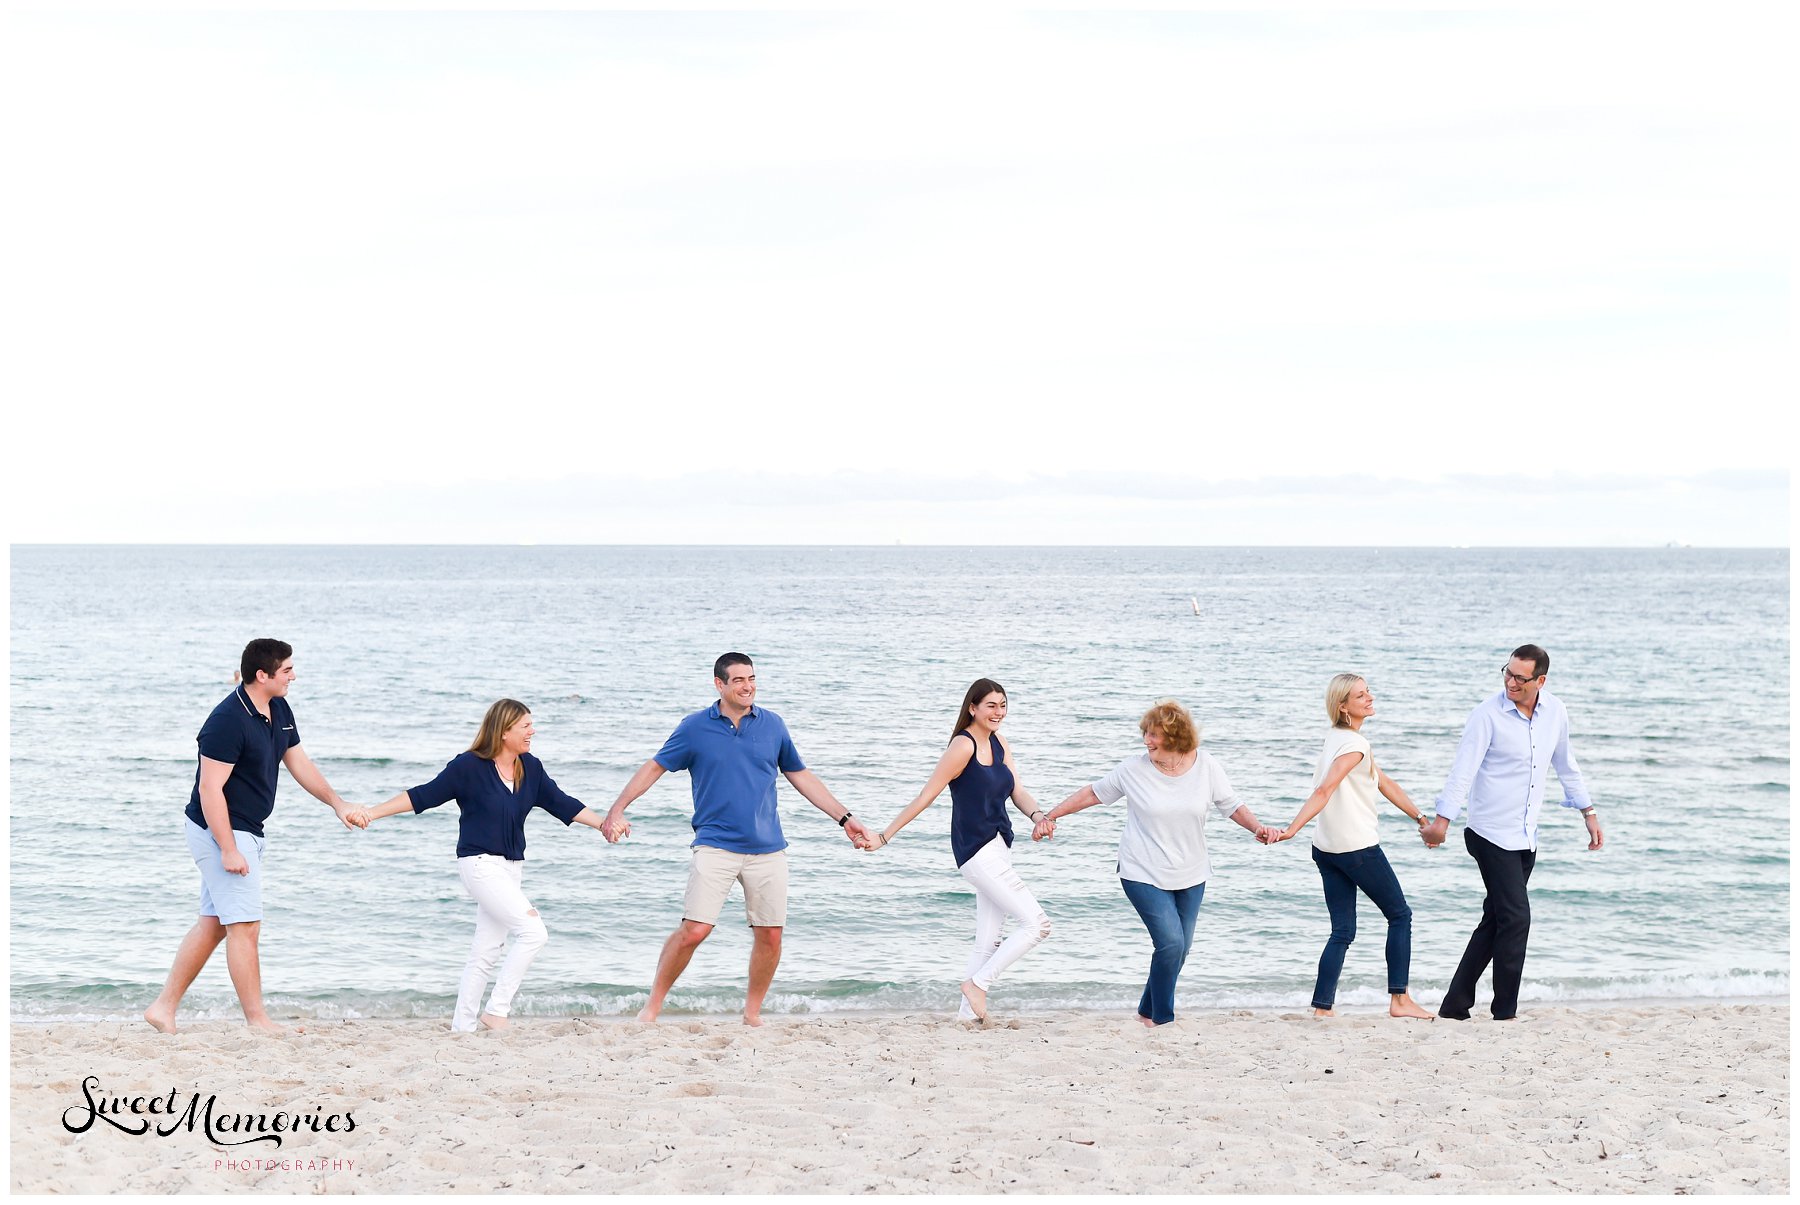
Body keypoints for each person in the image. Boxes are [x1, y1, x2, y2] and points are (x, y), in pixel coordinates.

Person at [601, 653, 873, 1026]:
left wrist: (845, 818)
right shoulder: (695, 727)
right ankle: (652, 1006)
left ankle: (752, 1014)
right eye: (739, 680)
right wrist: (618, 808)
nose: (748, 687)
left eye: (752, 679)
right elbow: (655, 767)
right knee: (694, 930)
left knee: (771, 936)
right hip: (714, 844)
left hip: (767, 848)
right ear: (719, 684)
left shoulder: (773, 725)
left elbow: (802, 776)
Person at [144, 639, 365, 1035]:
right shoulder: (226, 721)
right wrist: (228, 848)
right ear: (262, 675)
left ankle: (163, 1008)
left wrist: (336, 801)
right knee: (245, 927)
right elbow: (209, 791)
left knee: (213, 924)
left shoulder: (278, 708)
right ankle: (258, 1021)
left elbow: (298, 761)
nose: (294, 675)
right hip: (221, 828)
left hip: (248, 829)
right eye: (287, 670)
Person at [352, 699, 610, 1032]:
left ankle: (463, 1028)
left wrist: (603, 824)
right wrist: (371, 812)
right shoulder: (469, 767)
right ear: (504, 732)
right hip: (480, 864)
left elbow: (563, 803)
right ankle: (497, 1010)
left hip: (511, 868)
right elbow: (423, 795)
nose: (533, 731)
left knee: (486, 950)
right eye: (526, 726)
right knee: (534, 932)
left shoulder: (530, 768)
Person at [1036, 699, 1279, 1027]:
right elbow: (1092, 794)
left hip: (1192, 872)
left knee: (1180, 949)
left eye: (1154, 735)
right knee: (1170, 942)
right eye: (1145, 734)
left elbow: (1230, 804)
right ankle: (1162, 1020)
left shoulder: (1206, 765)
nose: (1146, 741)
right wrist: (1050, 815)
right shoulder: (1133, 769)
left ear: (1177, 737)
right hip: (1141, 869)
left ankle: (1145, 1012)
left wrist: (1257, 828)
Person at [1420, 644, 1603, 1021]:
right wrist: (1442, 821)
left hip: (1525, 836)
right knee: (1517, 917)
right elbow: (1463, 771)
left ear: (1540, 680)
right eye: (1507, 672)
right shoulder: (1486, 715)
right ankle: (1505, 1011)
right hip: (1489, 834)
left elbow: (1566, 764)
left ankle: (1455, 1004)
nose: (1511, 682)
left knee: (1498, 918)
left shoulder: (1555, 712)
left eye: (1520, 677)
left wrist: (1588, 811)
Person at [869, 678, 1053, 1023]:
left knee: (988, 941)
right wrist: (884, 836)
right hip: (975, 850)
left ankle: (966, 1018)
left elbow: (1018, 791)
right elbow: (926, 796)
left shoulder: (999, 743)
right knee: (1037, 925)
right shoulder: (963, 746)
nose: (998, 712)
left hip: (999, 846)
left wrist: (1039, 815)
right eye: (990, 705)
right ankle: (978, 984)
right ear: (973, 708)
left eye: (1003, 705)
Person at [1269, 674, 1434, 1020]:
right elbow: (1324, 791)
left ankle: (1322, 1007)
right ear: (1343, 706)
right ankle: (1400, 1000)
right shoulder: (1354, 746)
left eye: (1368, 691)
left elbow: (1383, 781)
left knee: (1342, 930)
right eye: (1361, 695)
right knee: (1400, 915)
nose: (1370, 697)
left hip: (1326, 847)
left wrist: (1420, 818)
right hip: (1356, 848)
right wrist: (1291, 830)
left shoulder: (1340, 739)